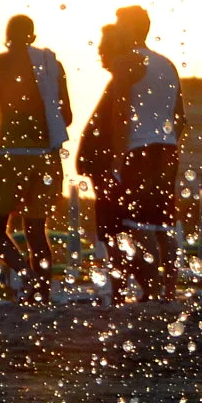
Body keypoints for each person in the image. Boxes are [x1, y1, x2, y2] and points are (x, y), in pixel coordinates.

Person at [0, 14, 71, 300]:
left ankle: (25, 275)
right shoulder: (53, 66)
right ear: (33, 37)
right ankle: (41, 291)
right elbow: (66, 116)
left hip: (10, 156)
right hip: (46, 158)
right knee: (36, 231)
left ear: (8, 35)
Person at [111, 5, 185, 300]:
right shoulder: (167, 64)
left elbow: (120, 114)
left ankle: (151, 287)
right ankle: (169, 289)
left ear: (132, 29)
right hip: (167, 149)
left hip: (138, 149)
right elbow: (180, 116)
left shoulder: (125, 61)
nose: (116, 30)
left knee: (138, 223)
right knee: (164, 223)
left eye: (120, 25)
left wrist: (117, 158)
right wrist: (168, 142)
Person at [78, 23, 141, 279]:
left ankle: (121, 287)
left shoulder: (122, 82)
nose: (100, 51)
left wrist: (117, 162)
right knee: (113, 228)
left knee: (114, 227)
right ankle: (123, 285)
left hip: (109, 169)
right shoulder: (117, 82)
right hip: (104, 167)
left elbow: (120, 120)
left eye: (104, 47)